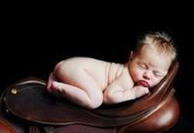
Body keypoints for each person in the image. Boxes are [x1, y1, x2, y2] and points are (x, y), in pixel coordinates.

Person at [47, 32, 177, 109]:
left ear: (165, 75)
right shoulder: (126, 78)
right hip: (76, 69)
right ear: (131, 58)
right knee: (95, 100)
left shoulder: (129, 74)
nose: (147, 75)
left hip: (69, 65)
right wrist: (133, 93)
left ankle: (56, 75)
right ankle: (59, 87)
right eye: (142, 66)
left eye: (156, 74)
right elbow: (108, 97)